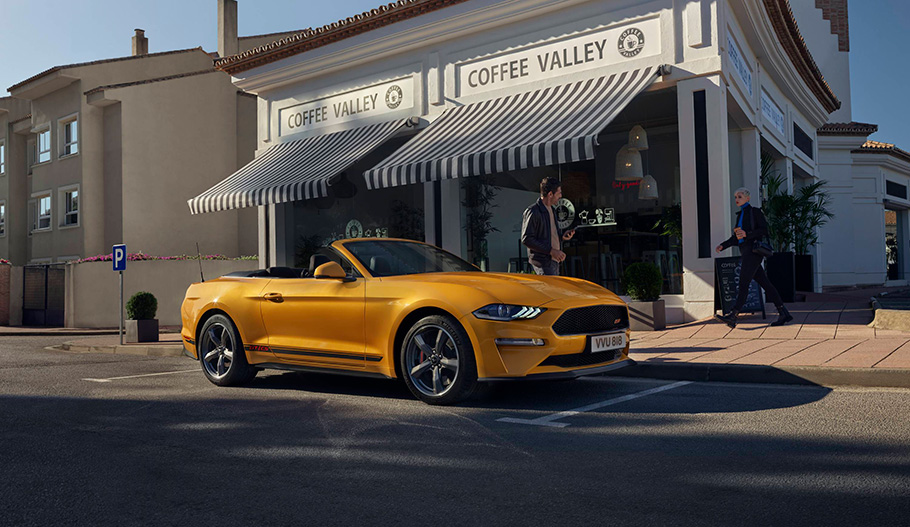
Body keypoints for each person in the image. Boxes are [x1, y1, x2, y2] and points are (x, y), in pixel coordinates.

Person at [715, 187, 793, 328]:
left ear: (747, 198)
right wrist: (723, 245)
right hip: (746, 252)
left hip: (753, 253)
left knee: (744, 283)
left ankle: (733, 315)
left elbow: (764, 230)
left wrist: (748, 234)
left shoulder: (755, 212)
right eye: (735, 197)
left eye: (739, 196)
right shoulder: (740, 215)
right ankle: (784, 313)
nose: (737, 199)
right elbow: (736, 237)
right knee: (765, 284)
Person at [521, 177, 575, 275]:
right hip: (543, 262)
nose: (561, 196)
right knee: (550, 289)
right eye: (559, 193)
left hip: (554, 261)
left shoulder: (552, 210)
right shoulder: (533, 212)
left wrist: (562, 237)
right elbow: (526, 239)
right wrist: (551, 251)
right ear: (550, 194)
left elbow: (550, 234)